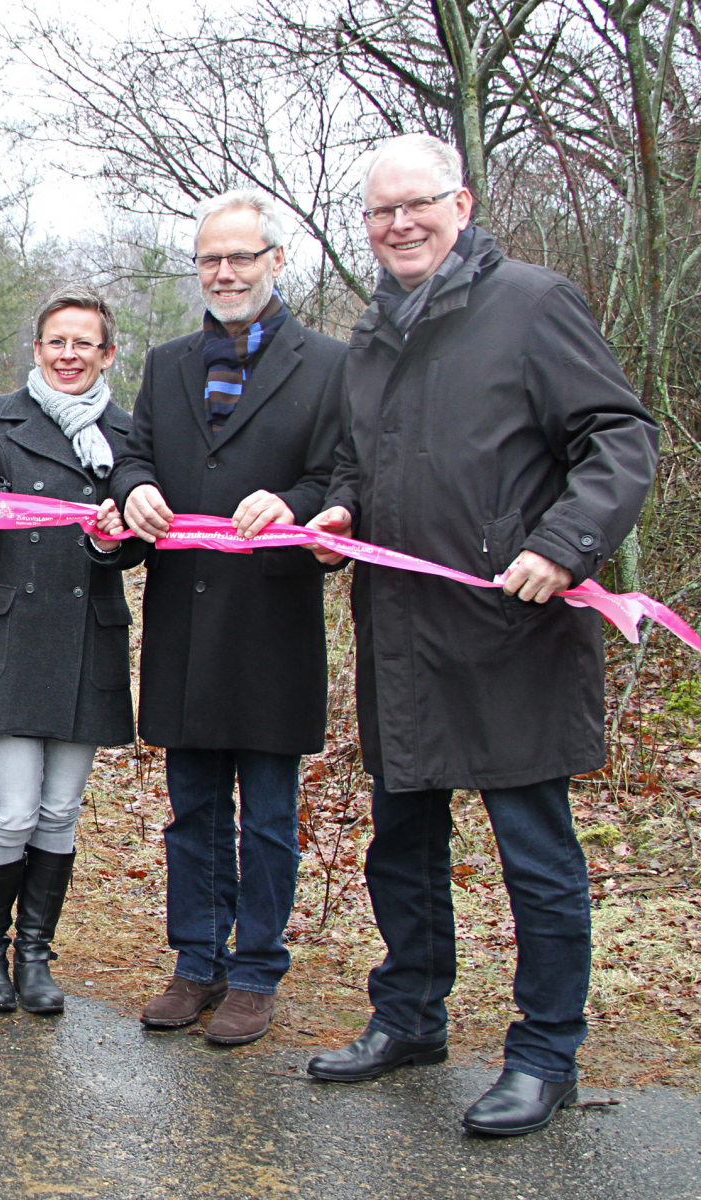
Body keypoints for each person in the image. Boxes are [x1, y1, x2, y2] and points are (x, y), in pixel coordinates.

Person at [303, 134, 658, 1135]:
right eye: (378, 212)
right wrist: (337, 516)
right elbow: (352, 464)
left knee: (532, 857)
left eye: (414, 205)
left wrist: (564, 543)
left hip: (514, 635)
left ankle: (543, 1054)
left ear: (459, 203)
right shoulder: (370, 331)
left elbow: (619, 437)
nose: (397, 225)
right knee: (398, 847)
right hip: (401, 641)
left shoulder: (533, 304)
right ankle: (408, 1017)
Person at [101, 189, 346, 1046]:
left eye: (241, 257)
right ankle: (196, 962)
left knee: (269, 816)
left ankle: (256, 970)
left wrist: (293, 502)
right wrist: (132, 490)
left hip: (273, 624)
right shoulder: (168, 363)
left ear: (276, 261)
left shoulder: (327, 365)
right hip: (183, 622)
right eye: (211, 258)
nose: (226, 272)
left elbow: (340, 477)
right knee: (191, 811)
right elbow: (134, 452)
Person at [0, 287, 147, 1015]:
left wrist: (111, 540)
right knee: (11, 812)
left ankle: (34, 957)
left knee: (60, 812)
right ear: (37, 348)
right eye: (56, 341)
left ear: (107, 353)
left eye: (84, 343)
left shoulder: (128, 432)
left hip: (87, 636)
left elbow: (141, 543)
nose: (68, 354)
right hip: (8, 633)